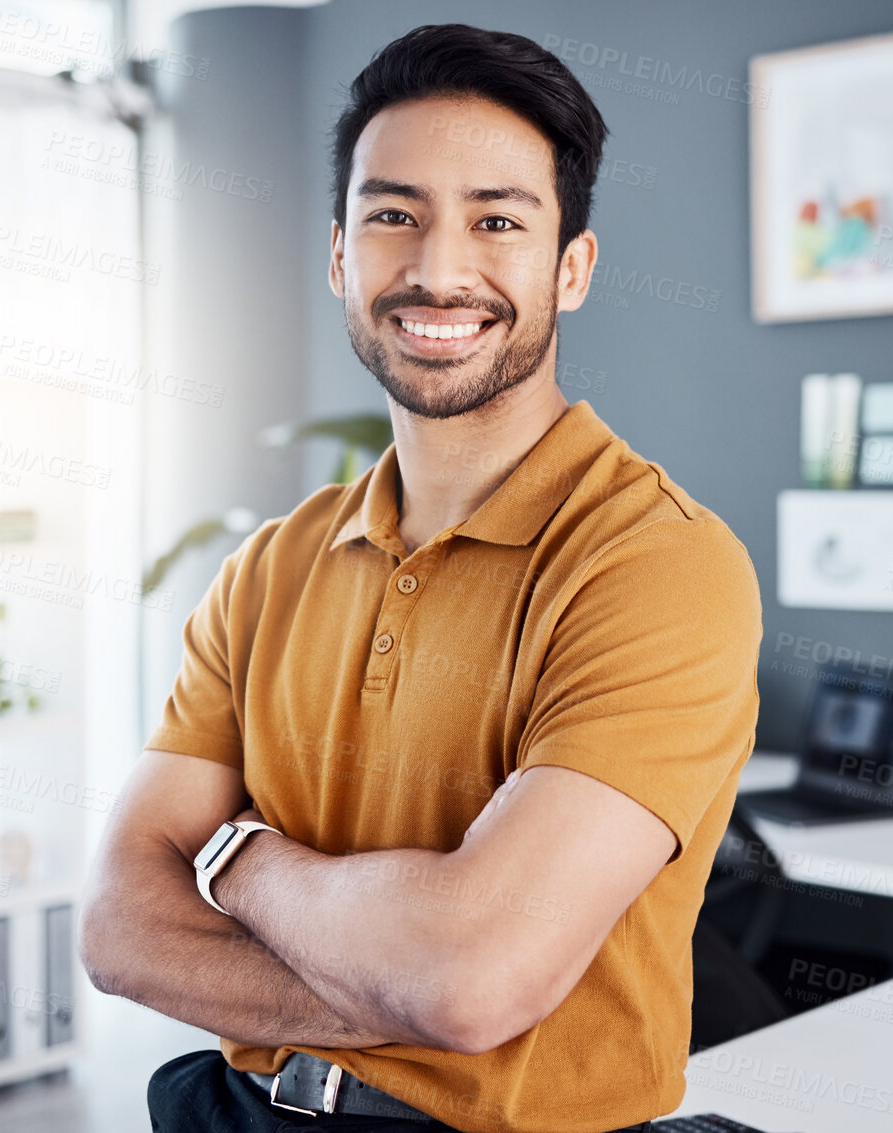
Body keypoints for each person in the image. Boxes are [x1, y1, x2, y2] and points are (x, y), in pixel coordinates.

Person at [80, 22, 761, 1133]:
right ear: (341, 254)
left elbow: (470, 980)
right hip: (234, 1112)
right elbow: (119, 930)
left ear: (570, 268)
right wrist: (412, 977)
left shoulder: (655, 563)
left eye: (497, 220)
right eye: (395, 215)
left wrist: (236, 857)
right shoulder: (270, 566)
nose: (439, 269)